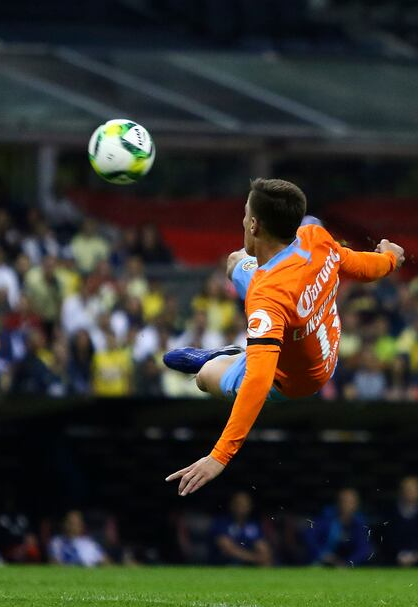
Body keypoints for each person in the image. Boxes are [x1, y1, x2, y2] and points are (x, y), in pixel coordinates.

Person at [163, 179, 404, 495]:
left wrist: (219, 457)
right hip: (321, 339)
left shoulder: (266, 298)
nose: (241, 220)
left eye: (244, 214)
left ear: (254, 224)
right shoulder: (314, 237)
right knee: (235, 262)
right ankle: (251, 349)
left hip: (296, 379)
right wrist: (389, 259)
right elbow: (359, 265)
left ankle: (225, 358)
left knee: (204, 379)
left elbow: (259, 381)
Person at [306, 488, 373, 567]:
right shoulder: (325, 520)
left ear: (357, 504)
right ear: (337, 503)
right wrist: (322, 555)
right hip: (319, 561)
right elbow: (309, 537)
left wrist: (348, 563)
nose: (347, 505)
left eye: (351, 502)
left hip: (344, 564)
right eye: (344, 501)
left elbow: (365, 548)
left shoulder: (359, 524)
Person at [382, 476, 418, 567]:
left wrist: (416, 556)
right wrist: (399, 555)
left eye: (413, 490)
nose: (410, 493)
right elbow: (387, 541)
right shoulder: (390, 514)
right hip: (393, 562)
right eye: (407, 490)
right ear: (401, 491)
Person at [211, 491, 272, 566]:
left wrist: (263, 557)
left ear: (250, 506)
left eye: (245, 504)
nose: (242, 507)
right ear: (232, 505)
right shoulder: (221, 523)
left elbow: (263, 549)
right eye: (239, 503)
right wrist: (256, 558)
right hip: (224, 564)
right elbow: (228, 550)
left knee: (266, 563)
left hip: (248, 565)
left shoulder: (253, 525)